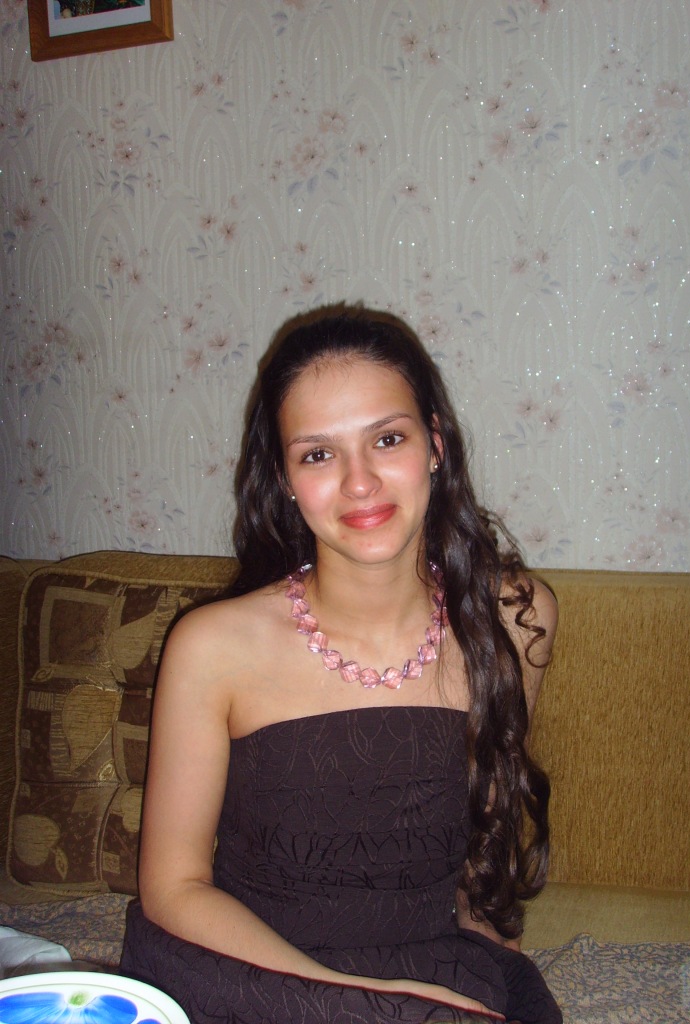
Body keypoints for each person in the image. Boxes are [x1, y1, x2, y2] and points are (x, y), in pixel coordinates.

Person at [120, 304, 562, 1024]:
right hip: (250, 973)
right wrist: (363, 1004)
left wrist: (492, 959)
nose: (360, 482)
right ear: (285, 477)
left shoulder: (515, 617)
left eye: (387, 439)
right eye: (318, 455)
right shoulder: (211, 646)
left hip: (425, 961)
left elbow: (484, 832)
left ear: (435, 446)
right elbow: (174, 888)